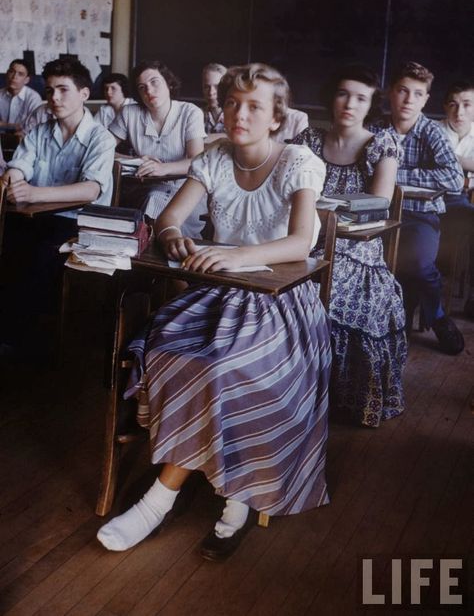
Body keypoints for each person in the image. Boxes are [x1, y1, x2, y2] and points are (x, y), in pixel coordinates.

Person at [97, 63, 331, 561]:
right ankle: (200, 489)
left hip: (281, 304)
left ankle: (191, 498)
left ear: (275, 118)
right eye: (231, 103)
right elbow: (169, 217)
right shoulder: (215, 158)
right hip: (218, 296)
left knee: (223, 367)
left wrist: (236, 254)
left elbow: (296, 244)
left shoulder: (298, 161)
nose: (239, 114)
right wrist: (173, 236)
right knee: (163, 349)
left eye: (253, 107)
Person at [293, 64, 407, 427]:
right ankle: (285, 389)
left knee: (333, 294)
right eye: (343, 93)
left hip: (355, 248)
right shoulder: (309, 140)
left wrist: (324, 216)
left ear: (371, 105)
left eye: (361, 98)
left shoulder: (381, 145)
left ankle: (337, 397)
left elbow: (379, 204)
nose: (349, 103)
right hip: (305, 238)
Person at [0, 58, 115, 355]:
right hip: (35, 218)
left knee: (38, 254)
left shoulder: (100, 138)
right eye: (50, 91)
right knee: (7, 243)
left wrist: (34, 193)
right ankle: (14, 327)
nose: (54, 98)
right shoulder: (39, 132)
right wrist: (12, 178)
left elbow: (91, 189)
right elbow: (19, 166)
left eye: (63, 90)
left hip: (80, 223)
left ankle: (20, 338)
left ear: (84, 94)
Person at [372, 61, 465, 354]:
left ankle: (437, 315)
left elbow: (453, 178)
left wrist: (391, 172)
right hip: (380, 210)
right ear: (390, 93)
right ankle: (384, 321)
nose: (409, 100)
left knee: (421, 264)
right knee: (378, 263)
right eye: (402, 91)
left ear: (425, 99)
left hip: (420, 213)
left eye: (417, 93)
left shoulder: (430, 132)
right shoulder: (375, 127)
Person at [109, 60, 206, 236]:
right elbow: (102, 150)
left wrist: (163, 168)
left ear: (169, 83)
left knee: (153, 202)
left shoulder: (190, 112)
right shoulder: (129, 113)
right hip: (142, 188)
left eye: (155, 82)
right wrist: (136, 161)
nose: (149, 91)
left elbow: (197, 161)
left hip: (185, 191)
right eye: (142, 87)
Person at [440, 80, 474, 318]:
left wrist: (452, 160)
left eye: (467, 104)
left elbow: (443, 164)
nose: (459, 112)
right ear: (445, 107)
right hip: (437, 202)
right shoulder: (433, 130)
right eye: (453, 104)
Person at [0, 59, 42, 133]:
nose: (14, 77)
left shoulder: (33, 98)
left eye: (20, 74)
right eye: (11, 71)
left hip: (25, 138)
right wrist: (15, 126)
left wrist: (3, 125)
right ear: (7, 73)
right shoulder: (0, 94)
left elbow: (35, 126)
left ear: (27, 80)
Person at [201, 62, 227, 141]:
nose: (211, 92)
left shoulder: (235, 117)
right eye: (207, 87)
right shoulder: (197, 115)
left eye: (217, 87)